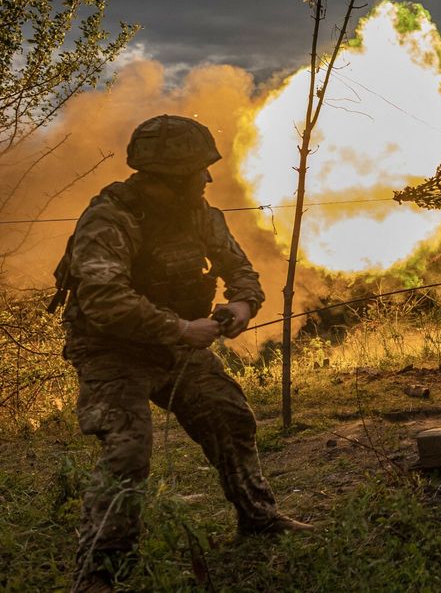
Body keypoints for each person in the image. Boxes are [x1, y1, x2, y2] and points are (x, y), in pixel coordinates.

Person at [51, 115, 312, 592]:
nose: (206, 178)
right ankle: (98, 573)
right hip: (112, 350)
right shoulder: (111, 218)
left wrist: (240, 306)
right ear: (165, 176)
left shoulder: (200, 214)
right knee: (127, 451)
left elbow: (242, 270)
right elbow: (104, 301)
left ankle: (259, 518)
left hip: (176, 345)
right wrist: (179, 327)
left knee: (229, 416)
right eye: (196, 170)